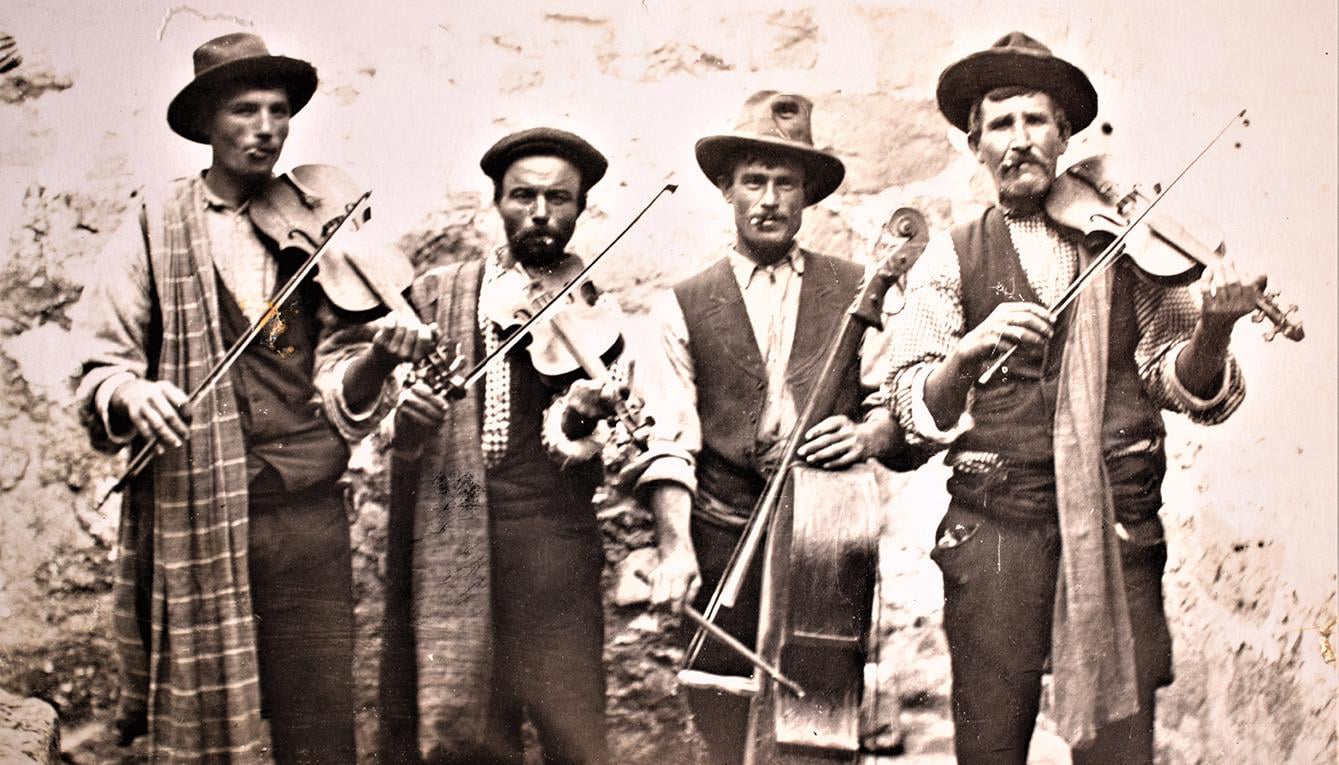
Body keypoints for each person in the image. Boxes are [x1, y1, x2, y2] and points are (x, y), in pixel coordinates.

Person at [883, 31, 1267, 765]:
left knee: (1119, 747)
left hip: (1116, 524)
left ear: (1064, 135)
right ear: (975, 145)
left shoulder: (1127, 244)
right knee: (991, 740)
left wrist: (1213, 330)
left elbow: (1176, 380)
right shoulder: (951, 255)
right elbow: (913, 402)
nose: (1018, 141)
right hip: (997, 531)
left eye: (1035, 121)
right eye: (1000, 124)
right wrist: (964, 355)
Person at [72, 33, 434, 762]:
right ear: (208, 120)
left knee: (320, 720)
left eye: (279, 110)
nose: (267, 128)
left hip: (303, 514)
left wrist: (375, 361)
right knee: (205, 720)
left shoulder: (318, 228)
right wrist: (132, 392)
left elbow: (340, 386)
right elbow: (99, 365)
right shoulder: (154, 225)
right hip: (198, 510)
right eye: (245, 109)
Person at [632, 91, 912, 764]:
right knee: (722, 711)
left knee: (818, 722)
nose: (768, 199)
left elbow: (898, 401)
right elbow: (669, 439)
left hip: (824, 539)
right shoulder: (683, 303)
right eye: (753, 181)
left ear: (806, 196)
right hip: (722, 530)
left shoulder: (858, 290)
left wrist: (869, 434)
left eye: (785, 183)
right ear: (726, 188)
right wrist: (675, 547)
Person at [379, 127, 627, 765]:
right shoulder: (440, 294)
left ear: (580, 208)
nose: (540, 213)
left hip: (553, 547)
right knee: (472, 736)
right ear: (497, 202)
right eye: (523, 196)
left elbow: (599, 448)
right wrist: (410, 413)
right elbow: (393, 430)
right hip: (457, 533)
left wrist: (575, 414)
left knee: (574, 727)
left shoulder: (595, 312)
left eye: (559, 199)